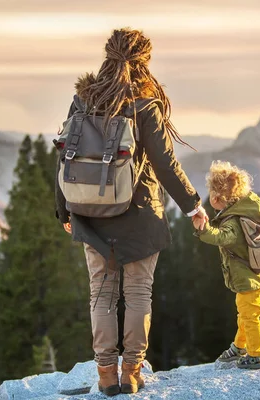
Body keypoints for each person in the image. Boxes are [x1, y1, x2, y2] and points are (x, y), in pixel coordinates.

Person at [55, 28, 208, 396]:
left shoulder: (83, 100)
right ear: (145, 61)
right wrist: (194, 207)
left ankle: (106, 375)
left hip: (90, 213)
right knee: (138, 293)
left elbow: (64, 155)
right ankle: (132, 374)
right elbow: (166, 164)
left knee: (101, 294)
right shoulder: (144, 104)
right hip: (139, 214)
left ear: (107, 56)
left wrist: (64, 210)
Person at [194, 161, 260, 369]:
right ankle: (239, 346)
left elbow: (222, 237)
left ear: (218, 198)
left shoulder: (234, 220)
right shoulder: (249, 207)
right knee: (245, 313)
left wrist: (203, 230)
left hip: (248, 278)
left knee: (250, 315)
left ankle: (255, 355)